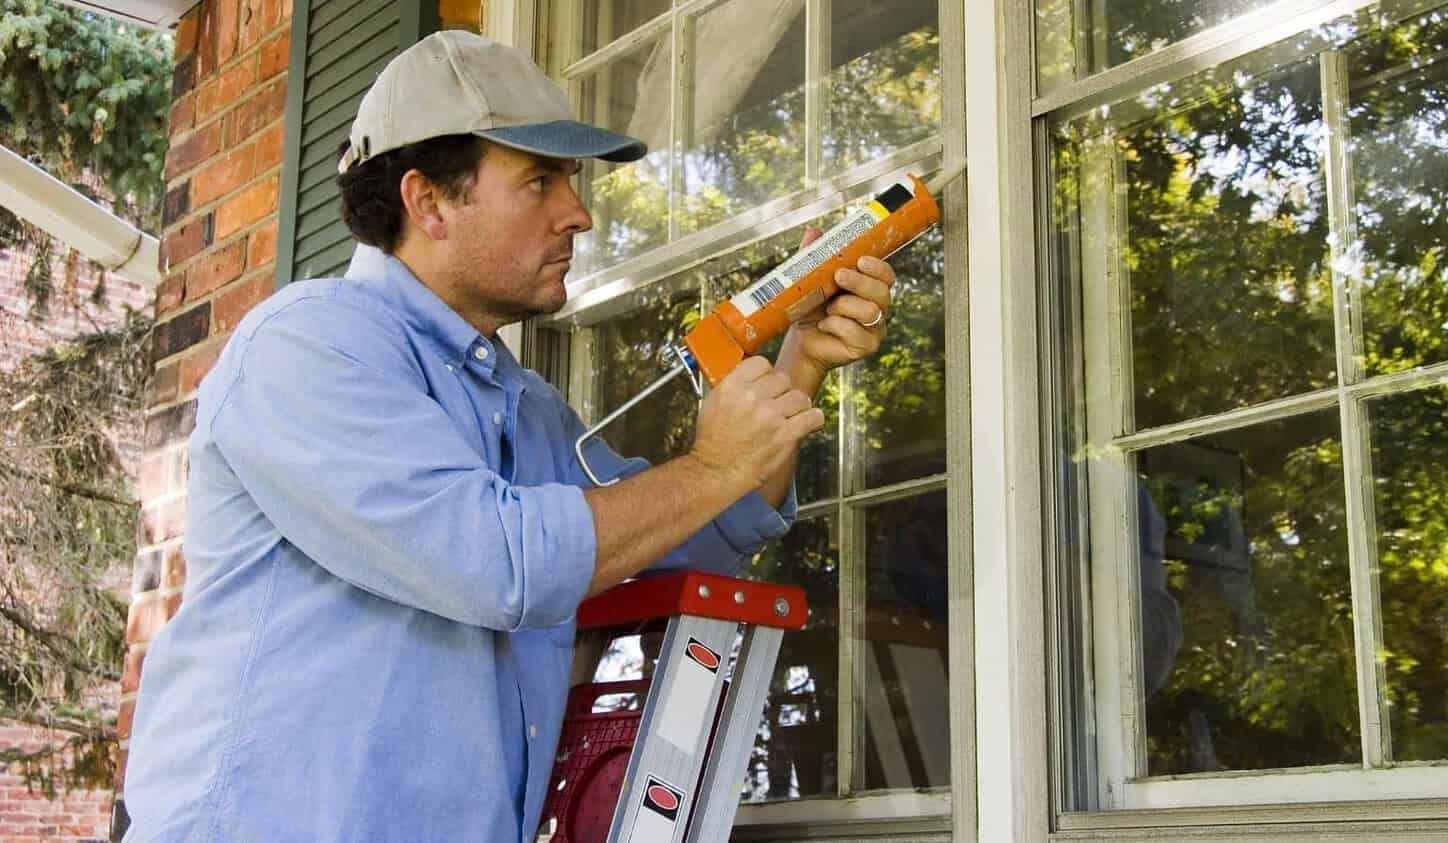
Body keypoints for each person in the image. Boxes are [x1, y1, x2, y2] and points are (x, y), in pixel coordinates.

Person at [122, 30, 899, 842]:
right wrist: (711, 465)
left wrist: (801, 361)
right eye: (539, 181)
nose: (579, 213)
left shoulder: (529, 410)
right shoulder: (307, 346)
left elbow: (699, 534)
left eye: (570, 180)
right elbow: (495, 560)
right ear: (428, 202)